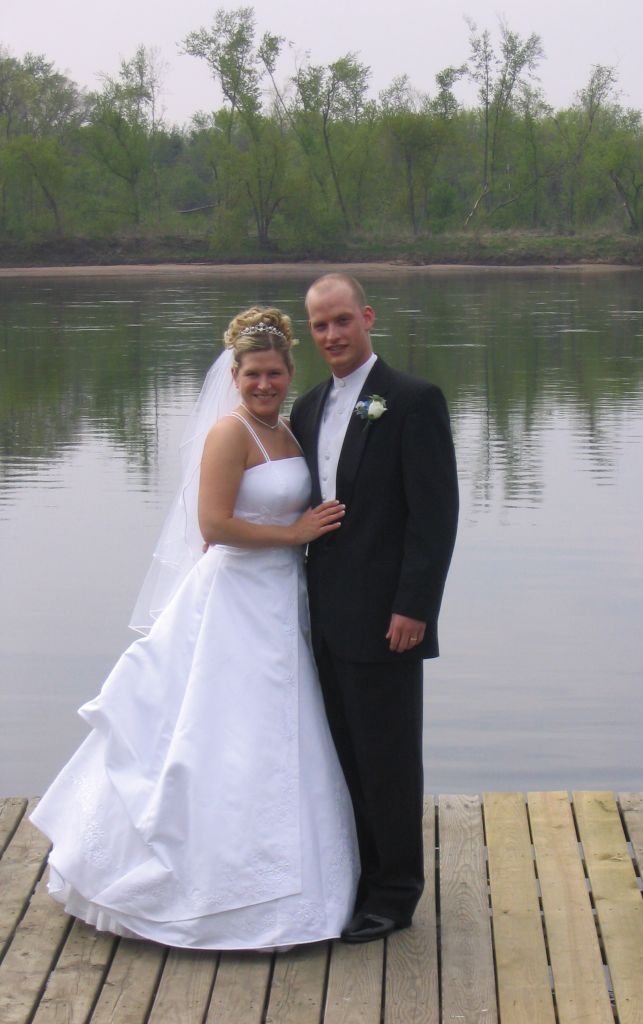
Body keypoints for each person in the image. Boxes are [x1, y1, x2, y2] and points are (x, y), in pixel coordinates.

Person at [30, 306, 359, 950]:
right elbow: (214, 527)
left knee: (279, 732)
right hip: (235, 599)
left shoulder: (289, 433)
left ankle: (290, 879)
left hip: (280, 600)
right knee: (220, 731)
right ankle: (194, 887)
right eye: (252, 374)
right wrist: (293, 533)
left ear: (290, 373)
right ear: (234, 376)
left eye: (274, 374)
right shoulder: (230, 435)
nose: (264, 384)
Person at [290, 273, 459, 943]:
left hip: (388, 619)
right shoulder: (305, 409)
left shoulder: (413, 401)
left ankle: (395, 893)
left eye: (342, 320)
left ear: (368, 317)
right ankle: (357, 877)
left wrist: (414, 606)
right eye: (320, 325)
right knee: (343, 758)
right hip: (323, 621)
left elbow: (434, 515)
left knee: (389, 759)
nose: (332, 334)